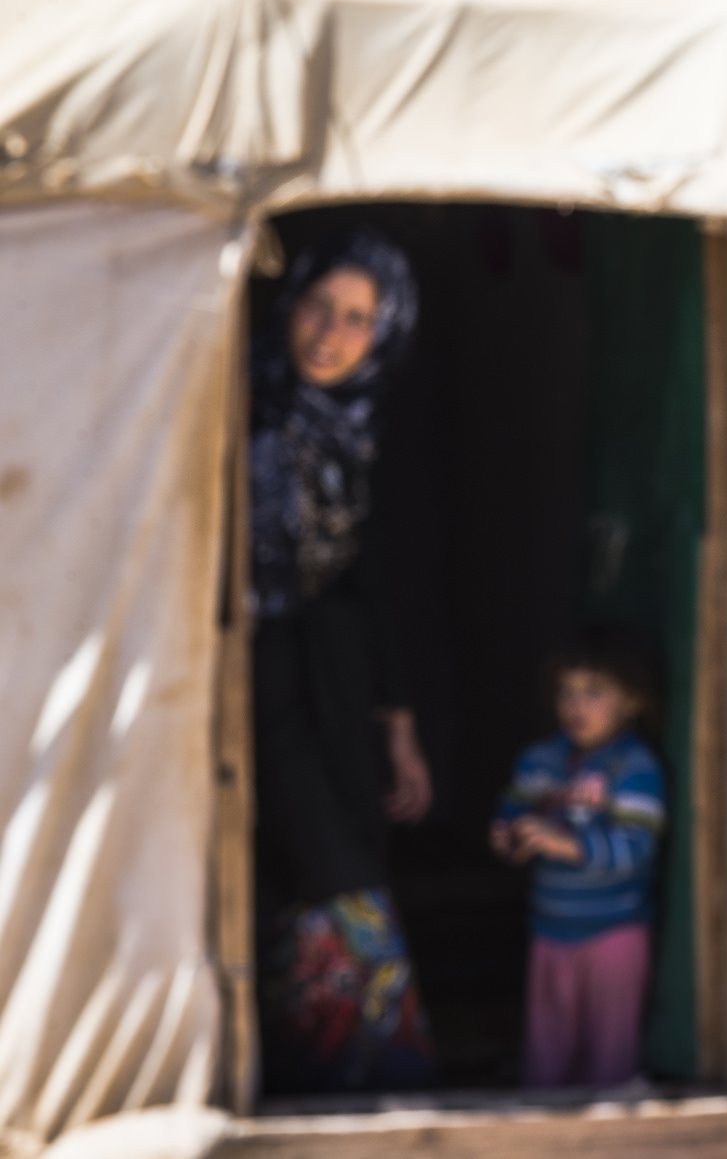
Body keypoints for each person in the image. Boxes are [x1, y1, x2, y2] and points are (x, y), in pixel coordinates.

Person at [251, 225, 436, 1093]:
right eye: (320, 307)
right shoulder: (240, 402)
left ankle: (368, 1092)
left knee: (341, 861)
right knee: (315, 866)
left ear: (383, 333)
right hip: (253, 673)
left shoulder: (366, 436)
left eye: (357, 319)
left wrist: (399, 729)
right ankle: (332, 1079)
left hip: (340, 683)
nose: (329, 334)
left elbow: (376, 585)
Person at [492, 637, 667, 1088]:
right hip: (549, 936)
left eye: (594, 691)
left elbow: (637, 848)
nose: (576, 705)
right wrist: (508, 836)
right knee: (546, 1059)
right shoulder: (540, 760)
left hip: (614, 939)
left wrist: (566, 843)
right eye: (566, 692)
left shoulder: (634, 767)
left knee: (610, 1061)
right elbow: (511, 814)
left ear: (633, 701)